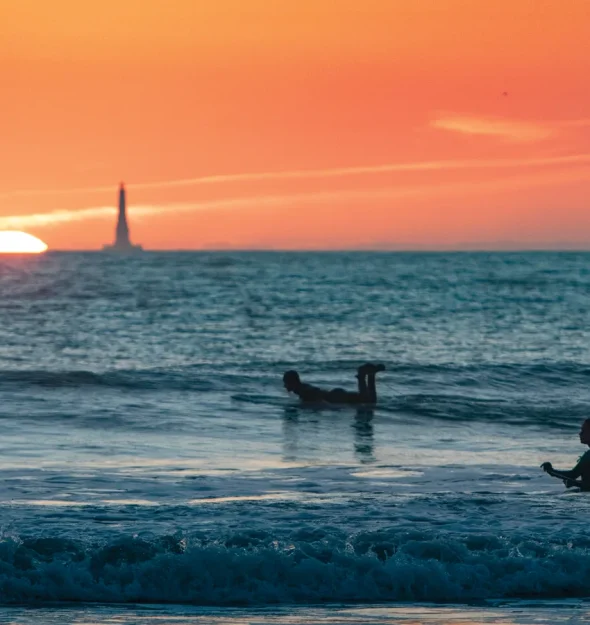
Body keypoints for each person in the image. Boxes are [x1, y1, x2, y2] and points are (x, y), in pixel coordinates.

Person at [283, 363, 385, 405]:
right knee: (370, 401)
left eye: (286, 383)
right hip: (335, 395)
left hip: (335, 397)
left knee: (367, 400)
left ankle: (362, 375)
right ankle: (371, 375)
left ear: (291, 382)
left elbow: (314, 393)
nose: (284, 386)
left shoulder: (302, 391)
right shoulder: (302, 388)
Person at [541, 418, 590, 490]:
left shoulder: (588, 456)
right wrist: (576, 483)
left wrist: (551, 471)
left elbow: (572, 475)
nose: (580, 433)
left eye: (584, 431)